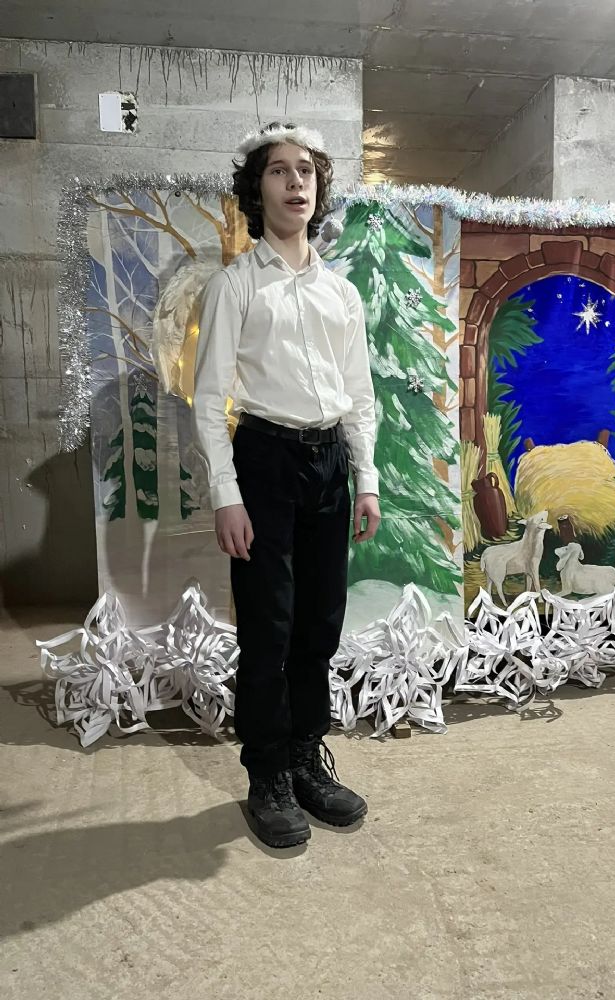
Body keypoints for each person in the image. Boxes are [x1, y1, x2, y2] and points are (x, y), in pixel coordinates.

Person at [192, 122, 381, 849]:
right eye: (279, 170)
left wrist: (366, 479)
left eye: (306, 170)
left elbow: (359, 394)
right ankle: (267, 773)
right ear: (258, 188)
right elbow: (211, 399)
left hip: (330, 463)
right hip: (265, 462)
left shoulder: (341, 293)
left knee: (319, 624)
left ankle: (305, 758)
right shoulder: (235, 286)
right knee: (268, 628)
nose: (296, 181)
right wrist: (226, 494)